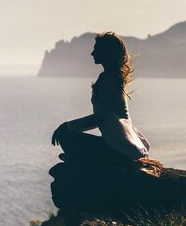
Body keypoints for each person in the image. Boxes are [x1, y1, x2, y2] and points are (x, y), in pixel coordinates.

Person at [51, 32, 159, 173]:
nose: (92, 53)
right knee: (71, 136)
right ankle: (88, 158)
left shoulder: (108, 78)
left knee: (65, 135)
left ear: (106, 52)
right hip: (130, 149)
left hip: (121, 152)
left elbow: (101, 117)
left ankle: (90, 160)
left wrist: (67, 126)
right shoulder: (114, 77)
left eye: (96, 49)